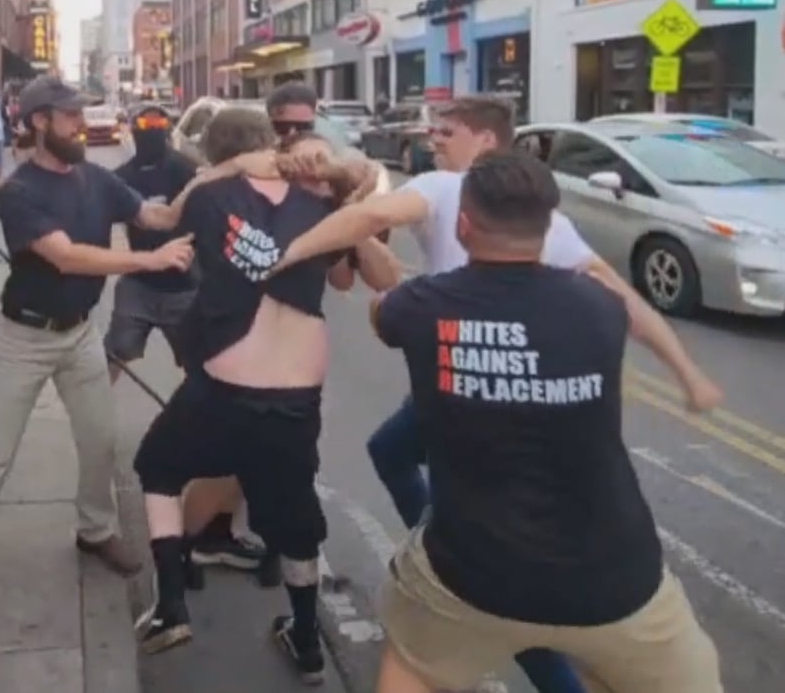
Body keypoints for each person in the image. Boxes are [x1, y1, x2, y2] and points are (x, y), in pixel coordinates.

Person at [273, 95, 721, 693]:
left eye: (448, 130)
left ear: (486, 143)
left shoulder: (439, 205)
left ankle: (525, 646)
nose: (433, 137)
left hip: (465, 423)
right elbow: (625, 301)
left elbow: (369, 250)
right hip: (615, 565)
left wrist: (288, 254)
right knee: (395, 453)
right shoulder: (588, 297)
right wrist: (687, 374)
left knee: (491, 588)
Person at [0, 75, 196, 653]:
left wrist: (215, 177)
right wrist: (146, 265)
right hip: (24, 337)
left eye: (81, 114)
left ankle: (94, 530)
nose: (81, 123)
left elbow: (156, 218)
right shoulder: (18, 192)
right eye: (70, 116)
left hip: (79, 336)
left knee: (99, 440)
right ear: (41, 121)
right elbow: (67, 258)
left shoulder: (96, 178)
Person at [131, 109, 397, 683]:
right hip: (294, 395)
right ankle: (305, 637)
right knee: (296, 515)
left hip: (225, 384)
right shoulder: (323, 210)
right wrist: (344, 192)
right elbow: (372, 271)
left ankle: (171, 604)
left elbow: (170, 214)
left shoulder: (213, 196)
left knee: (157, 467)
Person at [105, 104, 198, 378]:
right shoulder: (122, 177)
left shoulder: (186, 170)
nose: (152, 130)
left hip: (185, 285)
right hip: (139, 283)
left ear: (167, 130)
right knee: (113, 355)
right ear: (134, 130)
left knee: (200, 361)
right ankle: (94, 412)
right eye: (146, 125)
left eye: (158, 125)